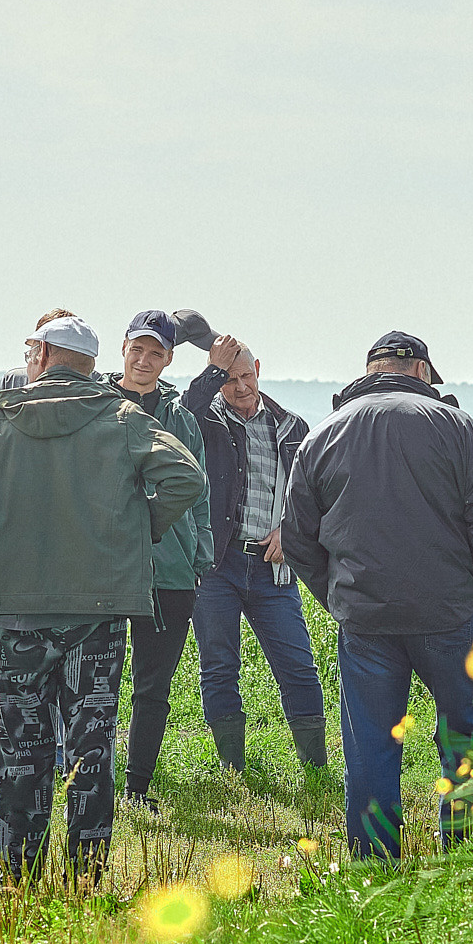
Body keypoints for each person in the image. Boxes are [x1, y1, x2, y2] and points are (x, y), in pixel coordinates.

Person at [0, 314, 204, 886]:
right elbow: (187, 479)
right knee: (92, 742)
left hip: (16, 609)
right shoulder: (123, 420)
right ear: (92, 364)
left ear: (40, 354)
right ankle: (87, 875)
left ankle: (20, 873)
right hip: (98, 610)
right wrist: (139, 533)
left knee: (21, 745)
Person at [281, 331, 473, 860]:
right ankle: (470, 851)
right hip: (452, 611)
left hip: (365, 618)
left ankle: (374, 860)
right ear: (423, 371)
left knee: (370, 745)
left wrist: (339, 595)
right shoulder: (456, 426)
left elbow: (296, 536)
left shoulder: (322, 434)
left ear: (369, 371)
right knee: (463, 734)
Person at [176, 314, 328, 774]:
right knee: (219, 667)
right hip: (217, 565)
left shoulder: (293, 426)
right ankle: (232, 768)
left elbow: (315, 497)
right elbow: (178, 416)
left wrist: (291, 530)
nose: (240, 387)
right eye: (229, 379)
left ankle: (315, 767)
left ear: (258, 368)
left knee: (298, 665)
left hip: (272, 567)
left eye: (245, 375)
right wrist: (211, 372)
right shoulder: (202, 420)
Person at [109, 311, 214, 812]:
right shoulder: (97, 405)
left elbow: (201, 493)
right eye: (138, 349)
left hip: (171, 570)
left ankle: (136, 788)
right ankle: (87, 780)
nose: (145, 360)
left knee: (153, 687)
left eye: (156, 353)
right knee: (94, 682)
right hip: (102, 567)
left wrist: (201, 554)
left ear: (170, 359)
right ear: (123, 349)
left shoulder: (182, 418)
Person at [0, 307, 77, 777]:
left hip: (50, 541)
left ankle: (40, 754)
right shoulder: (12, 386)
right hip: (20, 542)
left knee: (37, 660)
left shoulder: (87, 396)